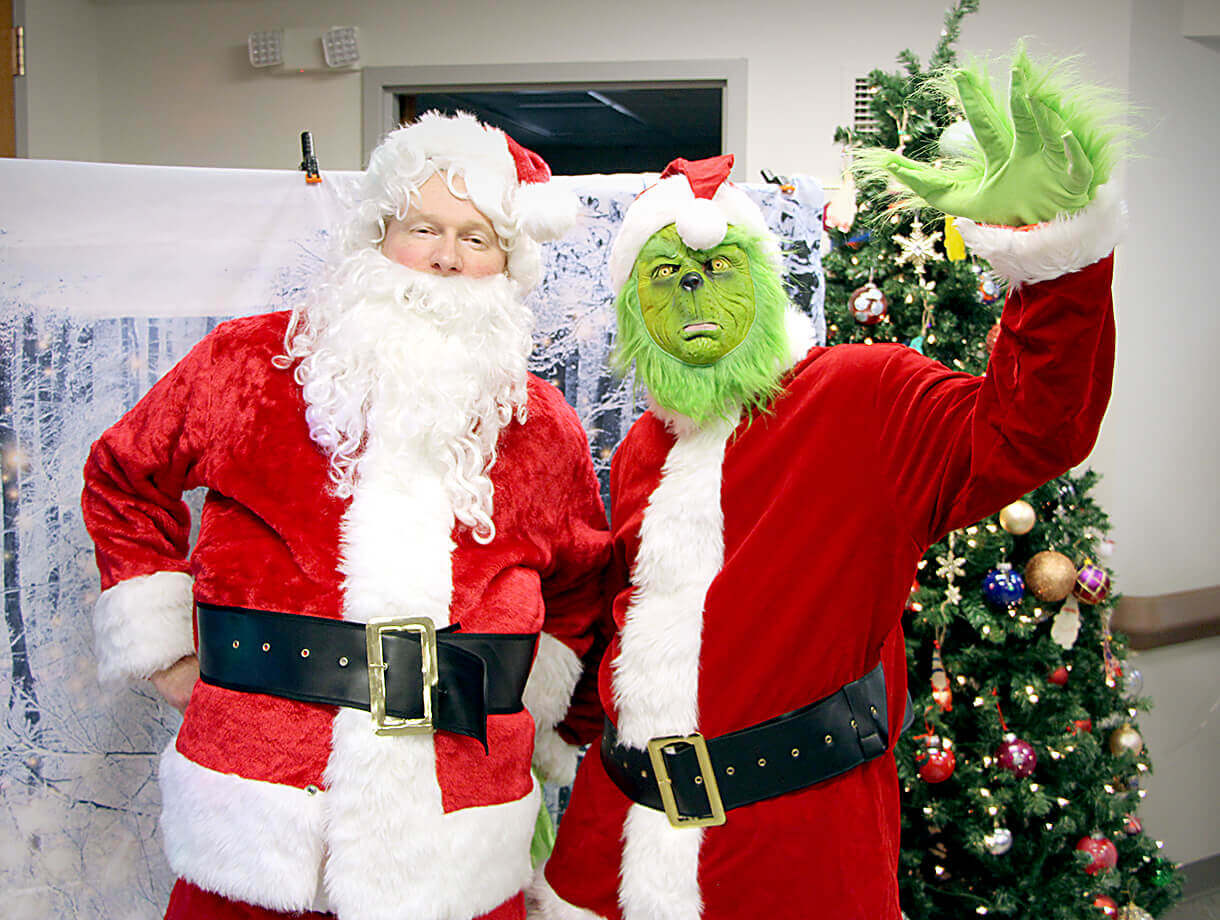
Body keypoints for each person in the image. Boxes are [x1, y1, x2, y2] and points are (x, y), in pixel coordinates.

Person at [533, 53, 1125, 919]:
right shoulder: (641, 452)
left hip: (790, 851)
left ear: (769, 287)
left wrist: (1056, 262)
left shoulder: (863, 395)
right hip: (610, 848)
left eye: (721, 266)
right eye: (665, 274)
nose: (696, 290)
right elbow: (627, 635)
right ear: (633, 316)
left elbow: (1032, 429)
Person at [81, 111, 611, 920]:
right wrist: (165, 650)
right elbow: (123, 476)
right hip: (260, 809)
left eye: (477, 239)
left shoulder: (542, 423)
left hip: (457, 820)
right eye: (424, 227)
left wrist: (525, 709)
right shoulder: (249, 363)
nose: (446, 257)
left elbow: (581, 584)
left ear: (508, 263)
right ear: (377, 234)